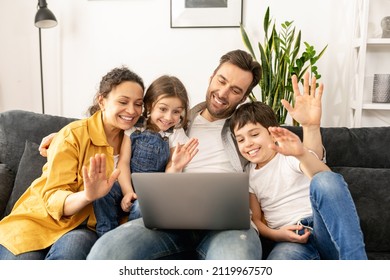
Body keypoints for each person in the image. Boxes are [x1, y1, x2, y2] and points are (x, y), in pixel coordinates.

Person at [85, 50, 325, 260]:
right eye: (221, 81)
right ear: (211, 77)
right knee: (105, 253)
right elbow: (117, 123)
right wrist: (64, 136)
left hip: (229, 228)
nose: (222, 93)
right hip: (170, 223)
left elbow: (308, 159)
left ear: (243, 98)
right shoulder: (174, 119)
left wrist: (312, 127)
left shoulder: (246, 131)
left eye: (235, 90)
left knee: (234, 262)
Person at [0, 66, 146, 259]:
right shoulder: (73, 134)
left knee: (72, 250)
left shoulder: (139, 141)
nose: (132, 110)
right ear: (101, 101)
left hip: (84, 227)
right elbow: (53, 198)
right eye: (123, 101)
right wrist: (88, 195)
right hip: (38, 220)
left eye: (138, 104)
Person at [229, 96, 367, 259]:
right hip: (291, 240)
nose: (248, 143)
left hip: (325, 229)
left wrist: (301, 154)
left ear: (273, 133)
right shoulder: (249, 175)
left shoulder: (289, 154)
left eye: (254, 134)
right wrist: (277, 235)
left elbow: (325, 180)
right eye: (241, 139)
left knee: (324, 179)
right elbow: (257, 221)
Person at [93, 75, 199, 237]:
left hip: (153, 194)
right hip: (126, 184)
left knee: (142, 206)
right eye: (163, 109)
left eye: (176, 112)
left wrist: (176, 167)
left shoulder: (175, 134)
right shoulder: (135, 127)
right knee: (102, 193)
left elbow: (169, 179)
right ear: (149, 106)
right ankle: (105, 235)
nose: (169, 117)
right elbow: (123, 162)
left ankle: (128, 237)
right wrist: (128, 192)